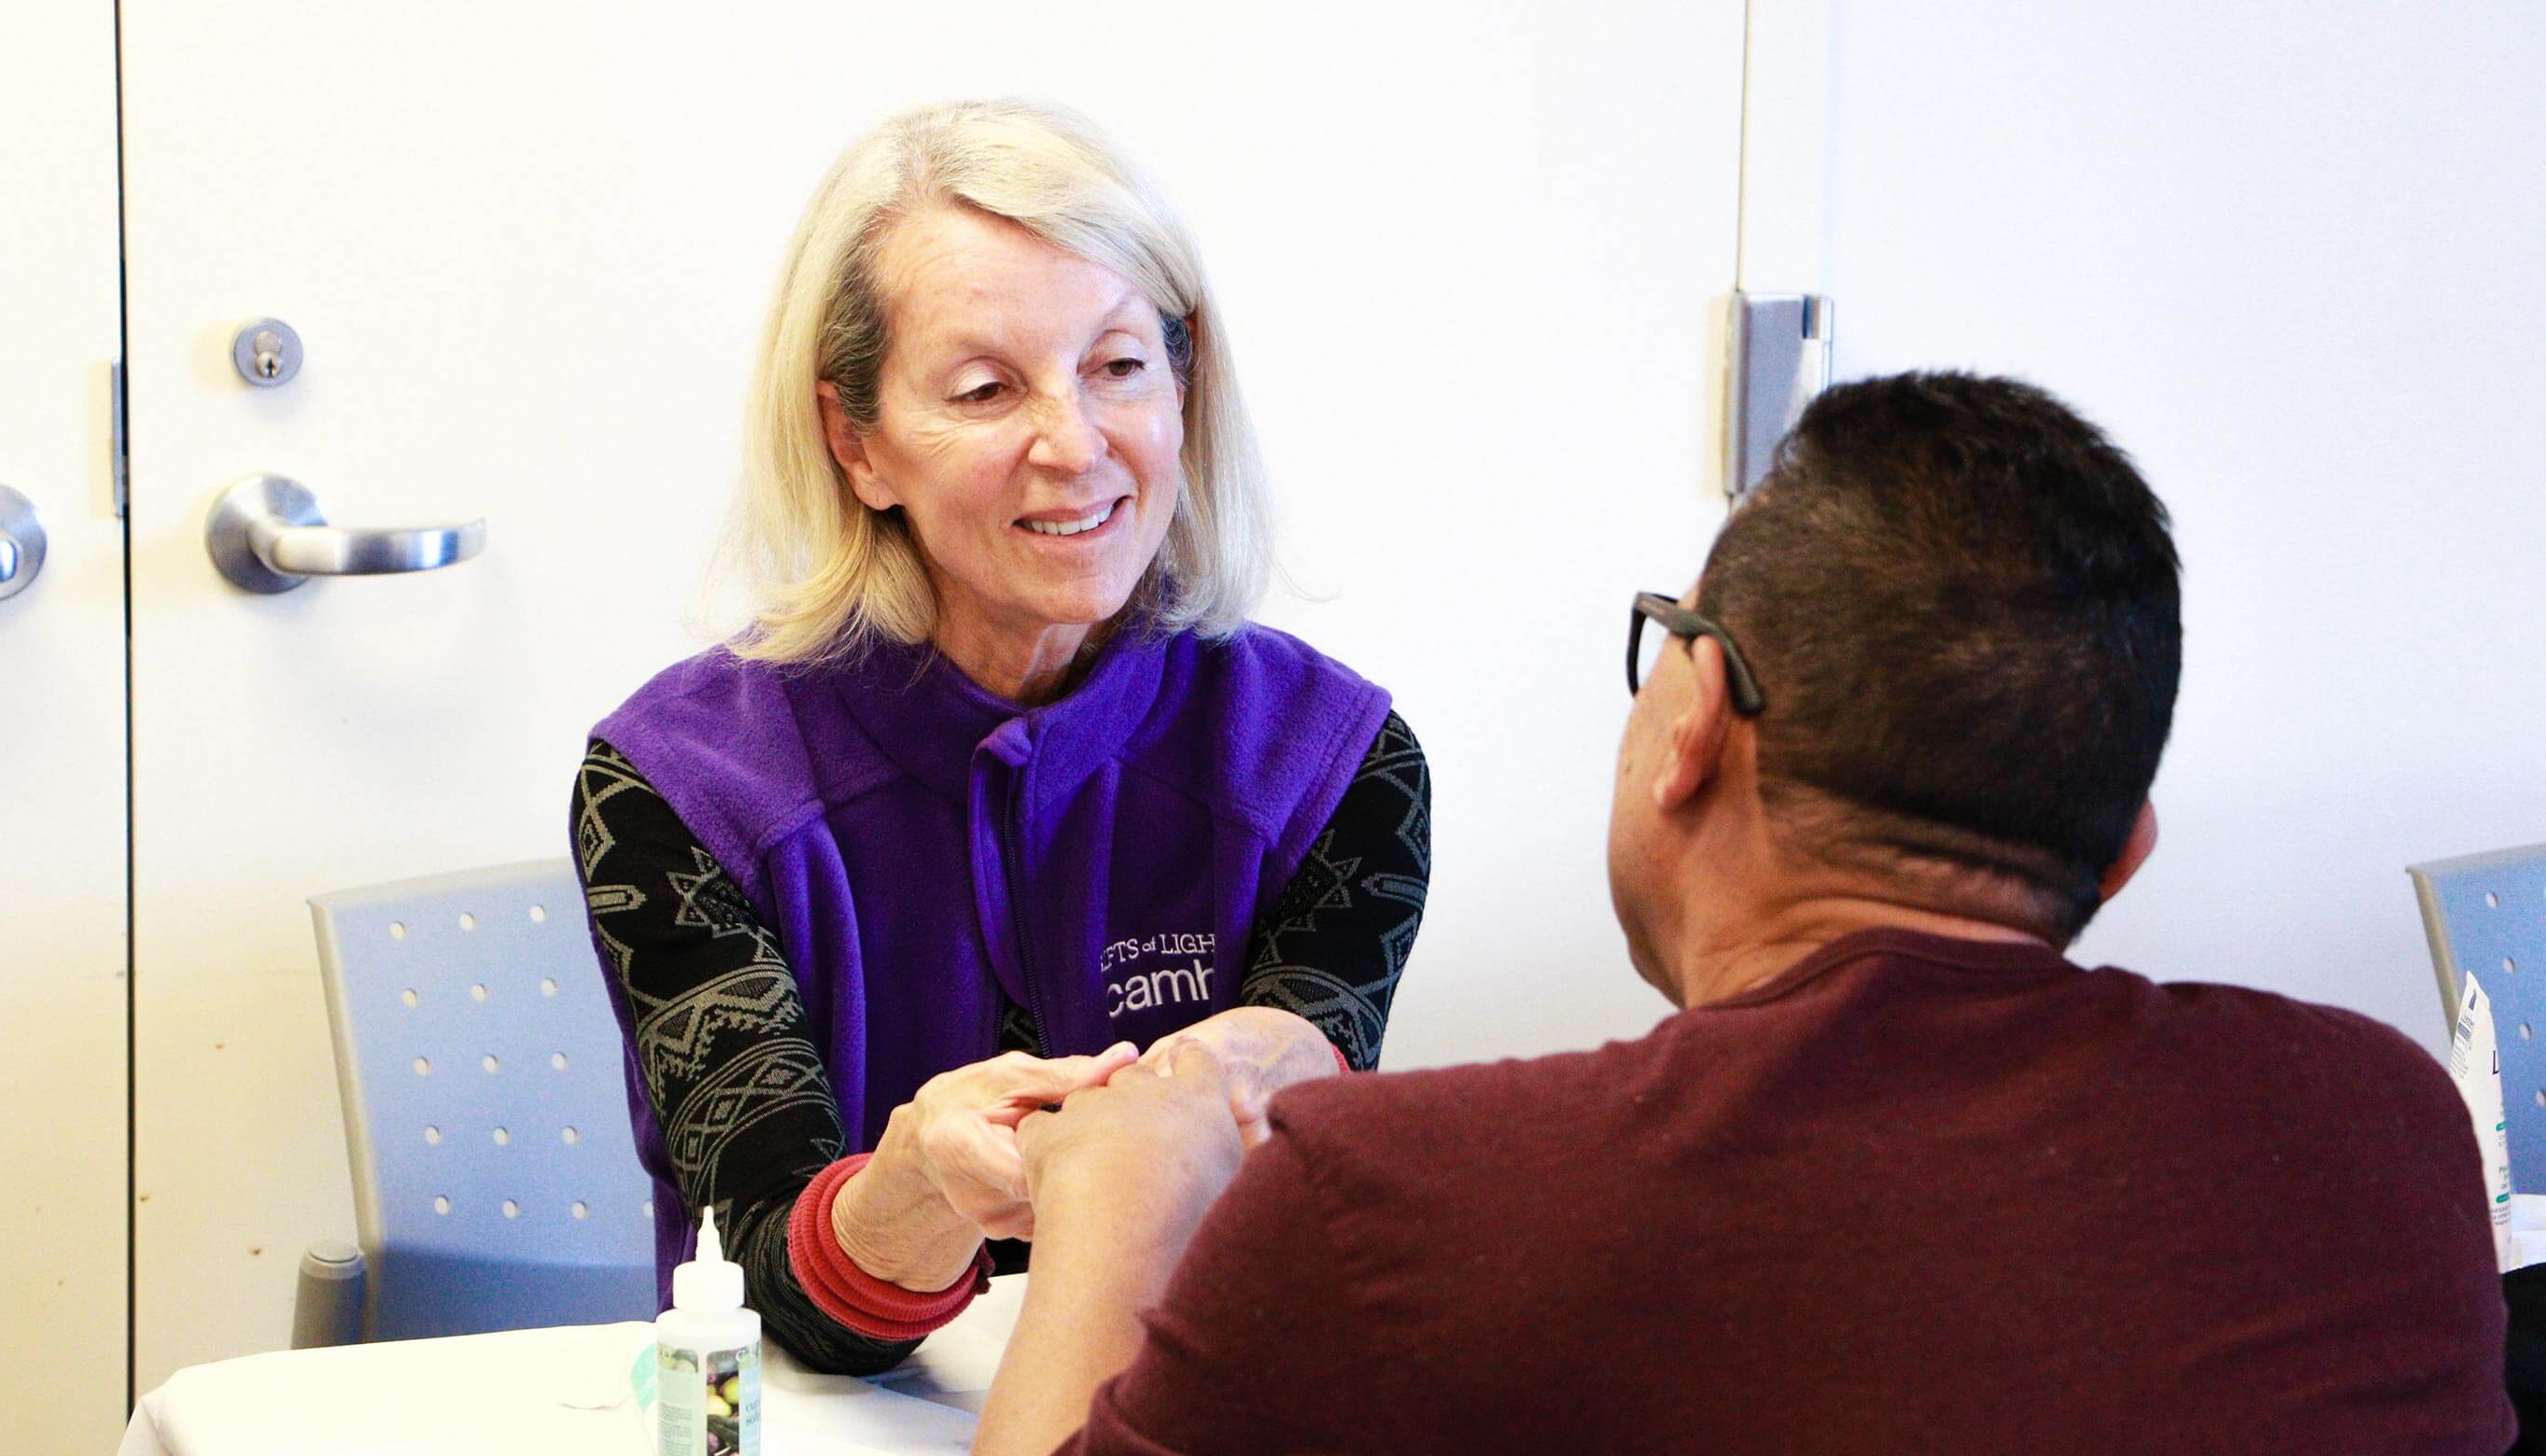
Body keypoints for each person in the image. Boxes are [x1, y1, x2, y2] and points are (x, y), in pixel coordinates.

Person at [977, 372, 2515, 1453]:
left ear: (1695, 721)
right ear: (2125, 852)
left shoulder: (1406, 1204)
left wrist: (1123, 1181)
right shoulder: (2380, 1133)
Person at [571, 99, 1430, 1375]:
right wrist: (913, 1190)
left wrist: (1283, 1072)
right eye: (985, 389)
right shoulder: (683, 788)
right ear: (856, 442)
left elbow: (1278, 1227)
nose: (1074, 447)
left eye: (1120, 366)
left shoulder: (1330, 764)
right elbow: (758, 1282)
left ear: (1186, 390)